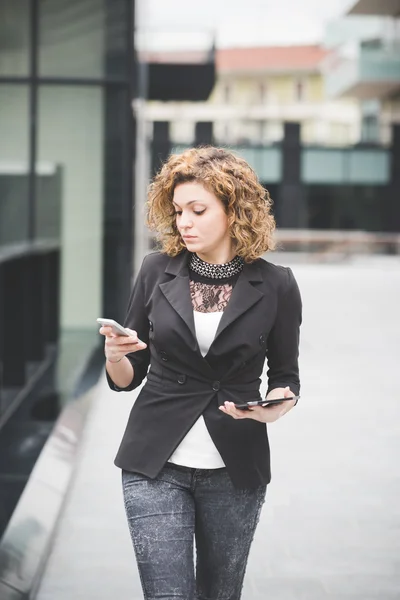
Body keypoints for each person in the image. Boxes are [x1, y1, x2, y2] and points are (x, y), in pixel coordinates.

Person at [99, 146, 302, 600]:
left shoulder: (277, 284)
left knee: (220, 594)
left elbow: (287, 374)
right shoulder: (155, 271)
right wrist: (116, 354)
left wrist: (277, 406)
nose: (184, 222)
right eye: (177, 211)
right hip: (154, 463)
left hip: (235, 468)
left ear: (234, 210)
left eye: (198, 210)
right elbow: (128, 373)